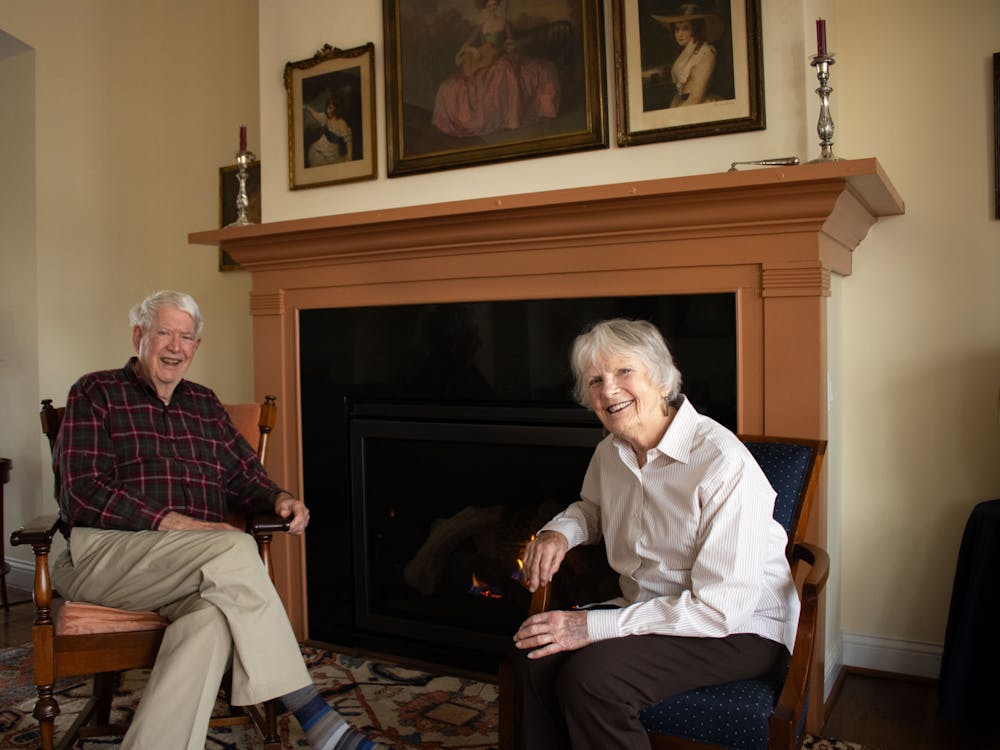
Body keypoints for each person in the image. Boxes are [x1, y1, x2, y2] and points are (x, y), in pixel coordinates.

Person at [50, 290, 387, 750]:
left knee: (210, 621)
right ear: (138, 336)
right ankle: (313, 714)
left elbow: (243, 476)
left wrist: (280, 497)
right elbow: (80, 491)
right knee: (234, 546)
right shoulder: (95, 392)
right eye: (164, 333)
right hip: (106, 556)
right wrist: (177, 524)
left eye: (186, 337)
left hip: (192, 569)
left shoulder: (204, 404)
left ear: (197, 345)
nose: (175, 347)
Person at [511, 318, 799, 749]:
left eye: (624, 371)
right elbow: (594, 510)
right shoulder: (611, 451)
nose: (609, 390)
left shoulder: (722, 463)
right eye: (595, 380)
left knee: (592, 679)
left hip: (737, 628)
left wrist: (594, 625)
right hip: (651, 607)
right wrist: (558, 534)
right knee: (533, 654)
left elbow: (720, 609)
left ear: (662, 379)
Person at [431, 0, 560, 138]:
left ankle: (510, 117)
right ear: (485, 8)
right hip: (487, 61)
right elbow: (465, 46)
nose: (493, 8)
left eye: (495, 5)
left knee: (505, 70)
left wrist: (511, 48)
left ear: (498, 6)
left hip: (502, 57)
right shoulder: (481, 27)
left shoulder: (503, 23)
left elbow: (511, 43)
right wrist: (473, 50)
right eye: (490, 6)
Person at [652, 3, 725, 107]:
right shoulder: (685, 53)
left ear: (695, 29)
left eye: (685, 28)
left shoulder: (706, 52)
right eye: (677, 29)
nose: (680, 34)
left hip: (699, 104)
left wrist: (679, 112)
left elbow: (696, 96)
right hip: (683, 103)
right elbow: (680, 92)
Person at [304, 94, 353, 166]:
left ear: (337, 109)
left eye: (330, 108)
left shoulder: (341, 123)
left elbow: (348, 141)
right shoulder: (326, 117)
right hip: (321, 145)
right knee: (315, 157)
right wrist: (309, 108)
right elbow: (317, 115)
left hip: (332, 152)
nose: (327, 110)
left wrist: (349, 156)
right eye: (327, 107)